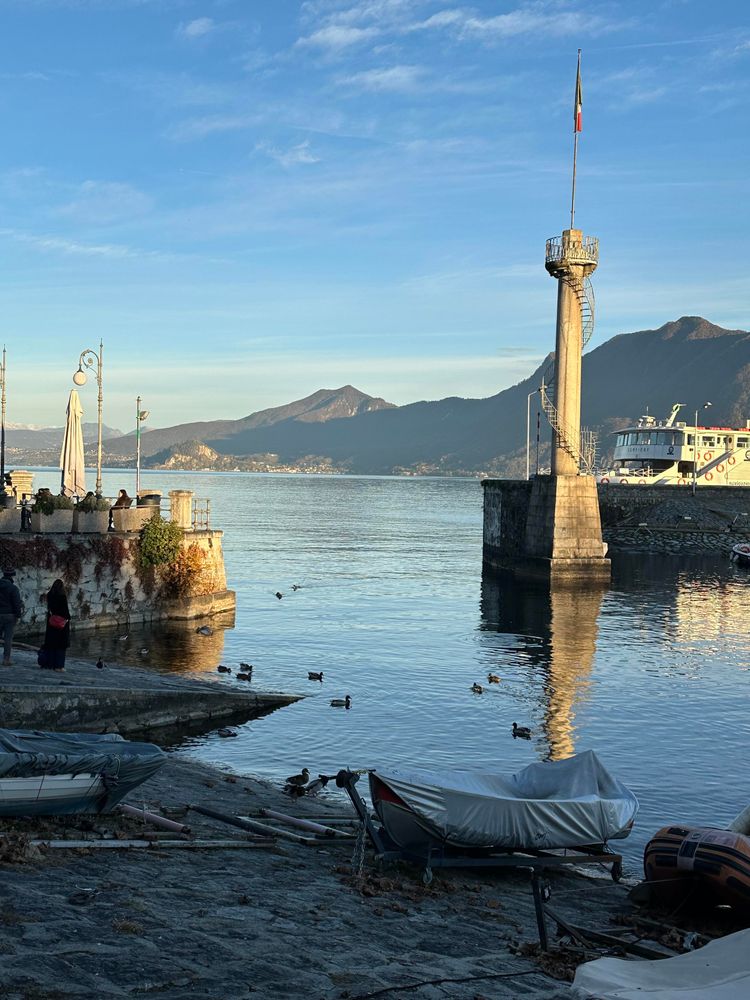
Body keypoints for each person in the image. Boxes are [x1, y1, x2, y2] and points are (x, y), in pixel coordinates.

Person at [43, 579, 70, 672]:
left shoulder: (49, 595)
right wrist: (68, 618)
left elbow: (50, 609)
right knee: (60, 646)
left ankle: (49, 664)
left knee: (51, 644)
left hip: (51, 623)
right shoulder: (62, 597)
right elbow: (65, 612)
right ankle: (59, 666)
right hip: (60, 625)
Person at [0, 568, 22, 666]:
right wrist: (18, 615)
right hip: (9, 616)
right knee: (8, 639)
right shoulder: (13, 588)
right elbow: (16, 603)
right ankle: (6, 659)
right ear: (12, 577)